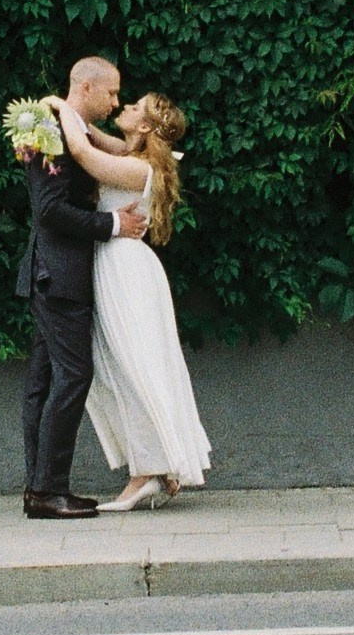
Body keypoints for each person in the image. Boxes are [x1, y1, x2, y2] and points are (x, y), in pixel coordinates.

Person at [53, 88, 211, 509]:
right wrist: (72, 110)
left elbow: (83, 153)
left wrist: (58, 104)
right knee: (123, 366)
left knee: (135, 366)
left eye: (134, 106)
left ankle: (148, 472)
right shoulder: (131, 153)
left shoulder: (140, 169)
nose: (124, 107)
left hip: (127, 270)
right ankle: (156, 466)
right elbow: (90, 134)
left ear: (145, 126)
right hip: (117, 266)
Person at [14, 54, 144, 519]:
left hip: (53, 272)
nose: (116, 101)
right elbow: (48, 210)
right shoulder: (48, 127)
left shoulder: (68, 127)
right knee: (73, 377)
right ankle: (47, 490)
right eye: (110, 92)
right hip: (58, 275)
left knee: (44, 381)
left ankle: (39, 489)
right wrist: (112, 224)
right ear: (85, 88)